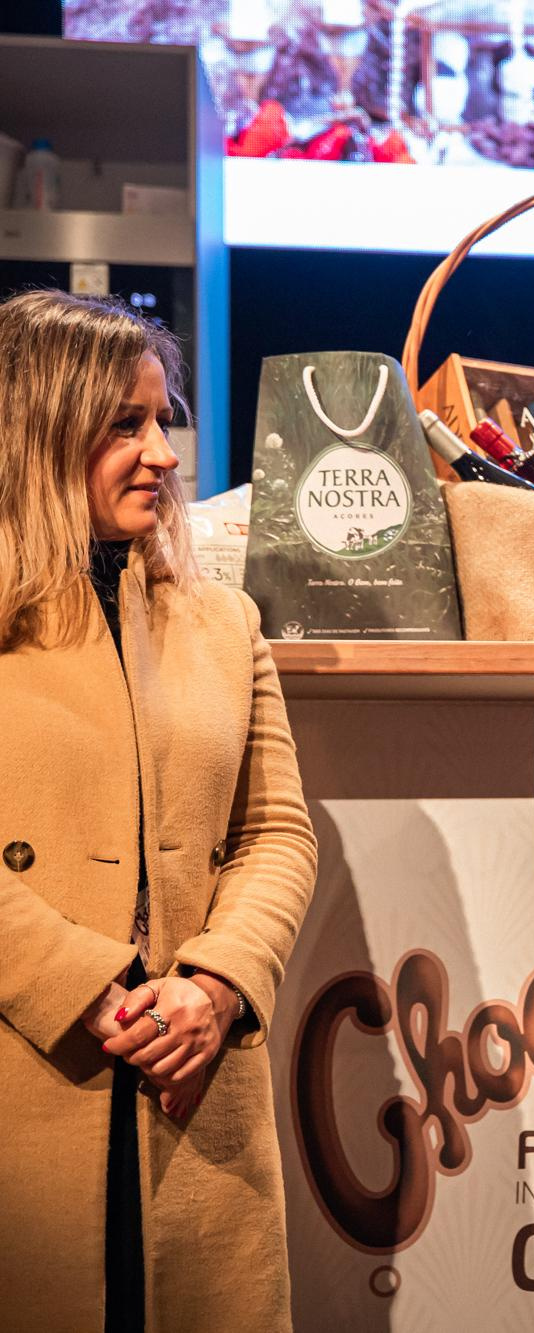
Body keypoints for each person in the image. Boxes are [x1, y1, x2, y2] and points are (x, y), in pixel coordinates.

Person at [0, 289, 318, 1329]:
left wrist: (219, 983)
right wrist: (84, 985)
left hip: (196, 1082)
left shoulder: (225, 621)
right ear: (39, 435)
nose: (165, 454)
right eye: (122, 426)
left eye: (161, 419)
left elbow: (276, 832)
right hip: (33, 1069)